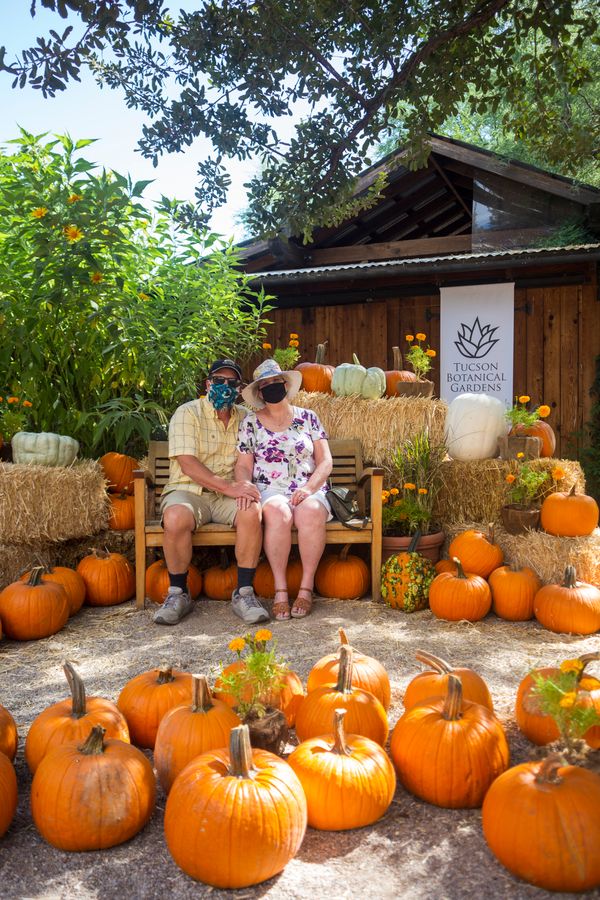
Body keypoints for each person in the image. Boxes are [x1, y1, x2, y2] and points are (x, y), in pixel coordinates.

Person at [153, 358, 269, 626]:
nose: (224, 387)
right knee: (175, 518)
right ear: (208, 384)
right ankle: (178, 593)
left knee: (252, 512)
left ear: (239, 389)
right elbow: (188, 464)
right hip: (188, 489)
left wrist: (241, 487)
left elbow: (250, 458)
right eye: (218, 381)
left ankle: (244, 593)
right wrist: (231, 486)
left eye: (231, 383)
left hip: (227, 495)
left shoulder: (245, 418)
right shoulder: (187, 413)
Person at [236, 359, 333, 620]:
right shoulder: (250, 424)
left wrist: (310, 488)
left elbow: (325, 461)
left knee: (310, 512)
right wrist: (245, 484)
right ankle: (280, 590)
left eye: (275, 382)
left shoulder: (308, 417)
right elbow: (243, 465)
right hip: (270, 489)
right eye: (265, 385)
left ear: (285, 384)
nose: (272, 387)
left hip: (308, 487)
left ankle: (306, 588)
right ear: (258, 393)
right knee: (279, 513)